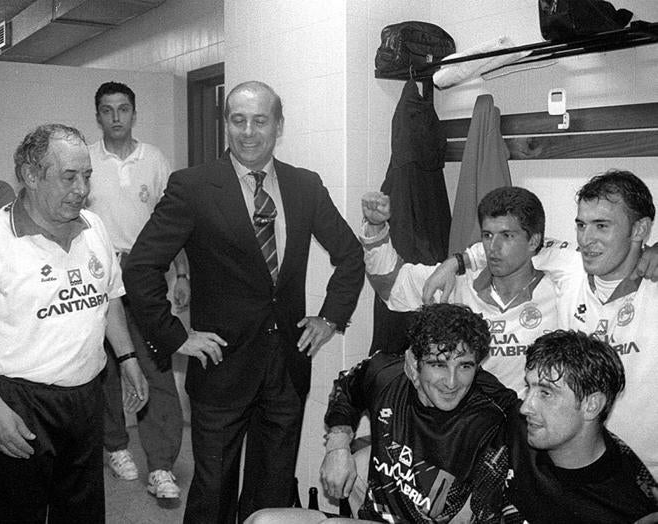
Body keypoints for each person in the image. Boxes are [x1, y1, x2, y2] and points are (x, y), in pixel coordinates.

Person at [123, 80, 365, 523]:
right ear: (226, 124)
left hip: (286, 370)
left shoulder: (304, 186)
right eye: (238, 120)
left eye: (259, 120)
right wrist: (176, 336)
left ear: (278, 126)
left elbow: (350, 256)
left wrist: (329, 319)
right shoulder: (192, 187)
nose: (248, 132)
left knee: (271, 495)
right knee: (212, 492)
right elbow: (140, 267)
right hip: (220, 367)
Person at [0, 123, 149, 523]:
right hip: (19, 401)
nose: (82, 189)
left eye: (86, 176)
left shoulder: (94, 227)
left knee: (82, 511)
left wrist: (128, 358)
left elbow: (109, 297)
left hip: (86, 398)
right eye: (69, 177)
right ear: (31, 176)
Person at [427, 170, 658, 479]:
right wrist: (456, 262)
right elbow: (509, 244)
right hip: (573, 470)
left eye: (601, 226)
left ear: (640, 229)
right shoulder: (570, 267)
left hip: (647, 480)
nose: (586, 240)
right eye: (581, 225)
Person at [246, 303, 519, 523]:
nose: (451, 382)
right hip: (375, 518)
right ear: (413, 362)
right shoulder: (385, 373)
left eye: (465, 366)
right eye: (438, 365)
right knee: (262, 521)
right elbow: (347, 387)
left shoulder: (493, 412)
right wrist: (337, 446)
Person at [87, 81, 188, 497]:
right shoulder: (86, 160)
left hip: (148, 279)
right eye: (107, 110)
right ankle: (116, 446)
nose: (115, 117)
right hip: (98, 280)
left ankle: (161, 464)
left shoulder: (155, 161)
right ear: (98, 115)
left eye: (123, 109)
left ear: (133, 113)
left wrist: (181, 275)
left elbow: (175, 221)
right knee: (107, 370)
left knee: (156, 367)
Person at [361, 186, 557, 395]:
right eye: (488, 235)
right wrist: (376, 226)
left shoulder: (560, 291)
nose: (493, 247)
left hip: (528, 420)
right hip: (469, 420)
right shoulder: (456, 282)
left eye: (507, 236)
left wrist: (461, 260)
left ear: (533, 241)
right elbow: (391, 285)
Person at [507, 329, 658, 523]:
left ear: (591, 405)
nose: (526, 407)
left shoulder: (632, 507)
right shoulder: (516, 426)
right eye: (529, 387)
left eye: (546, 393)